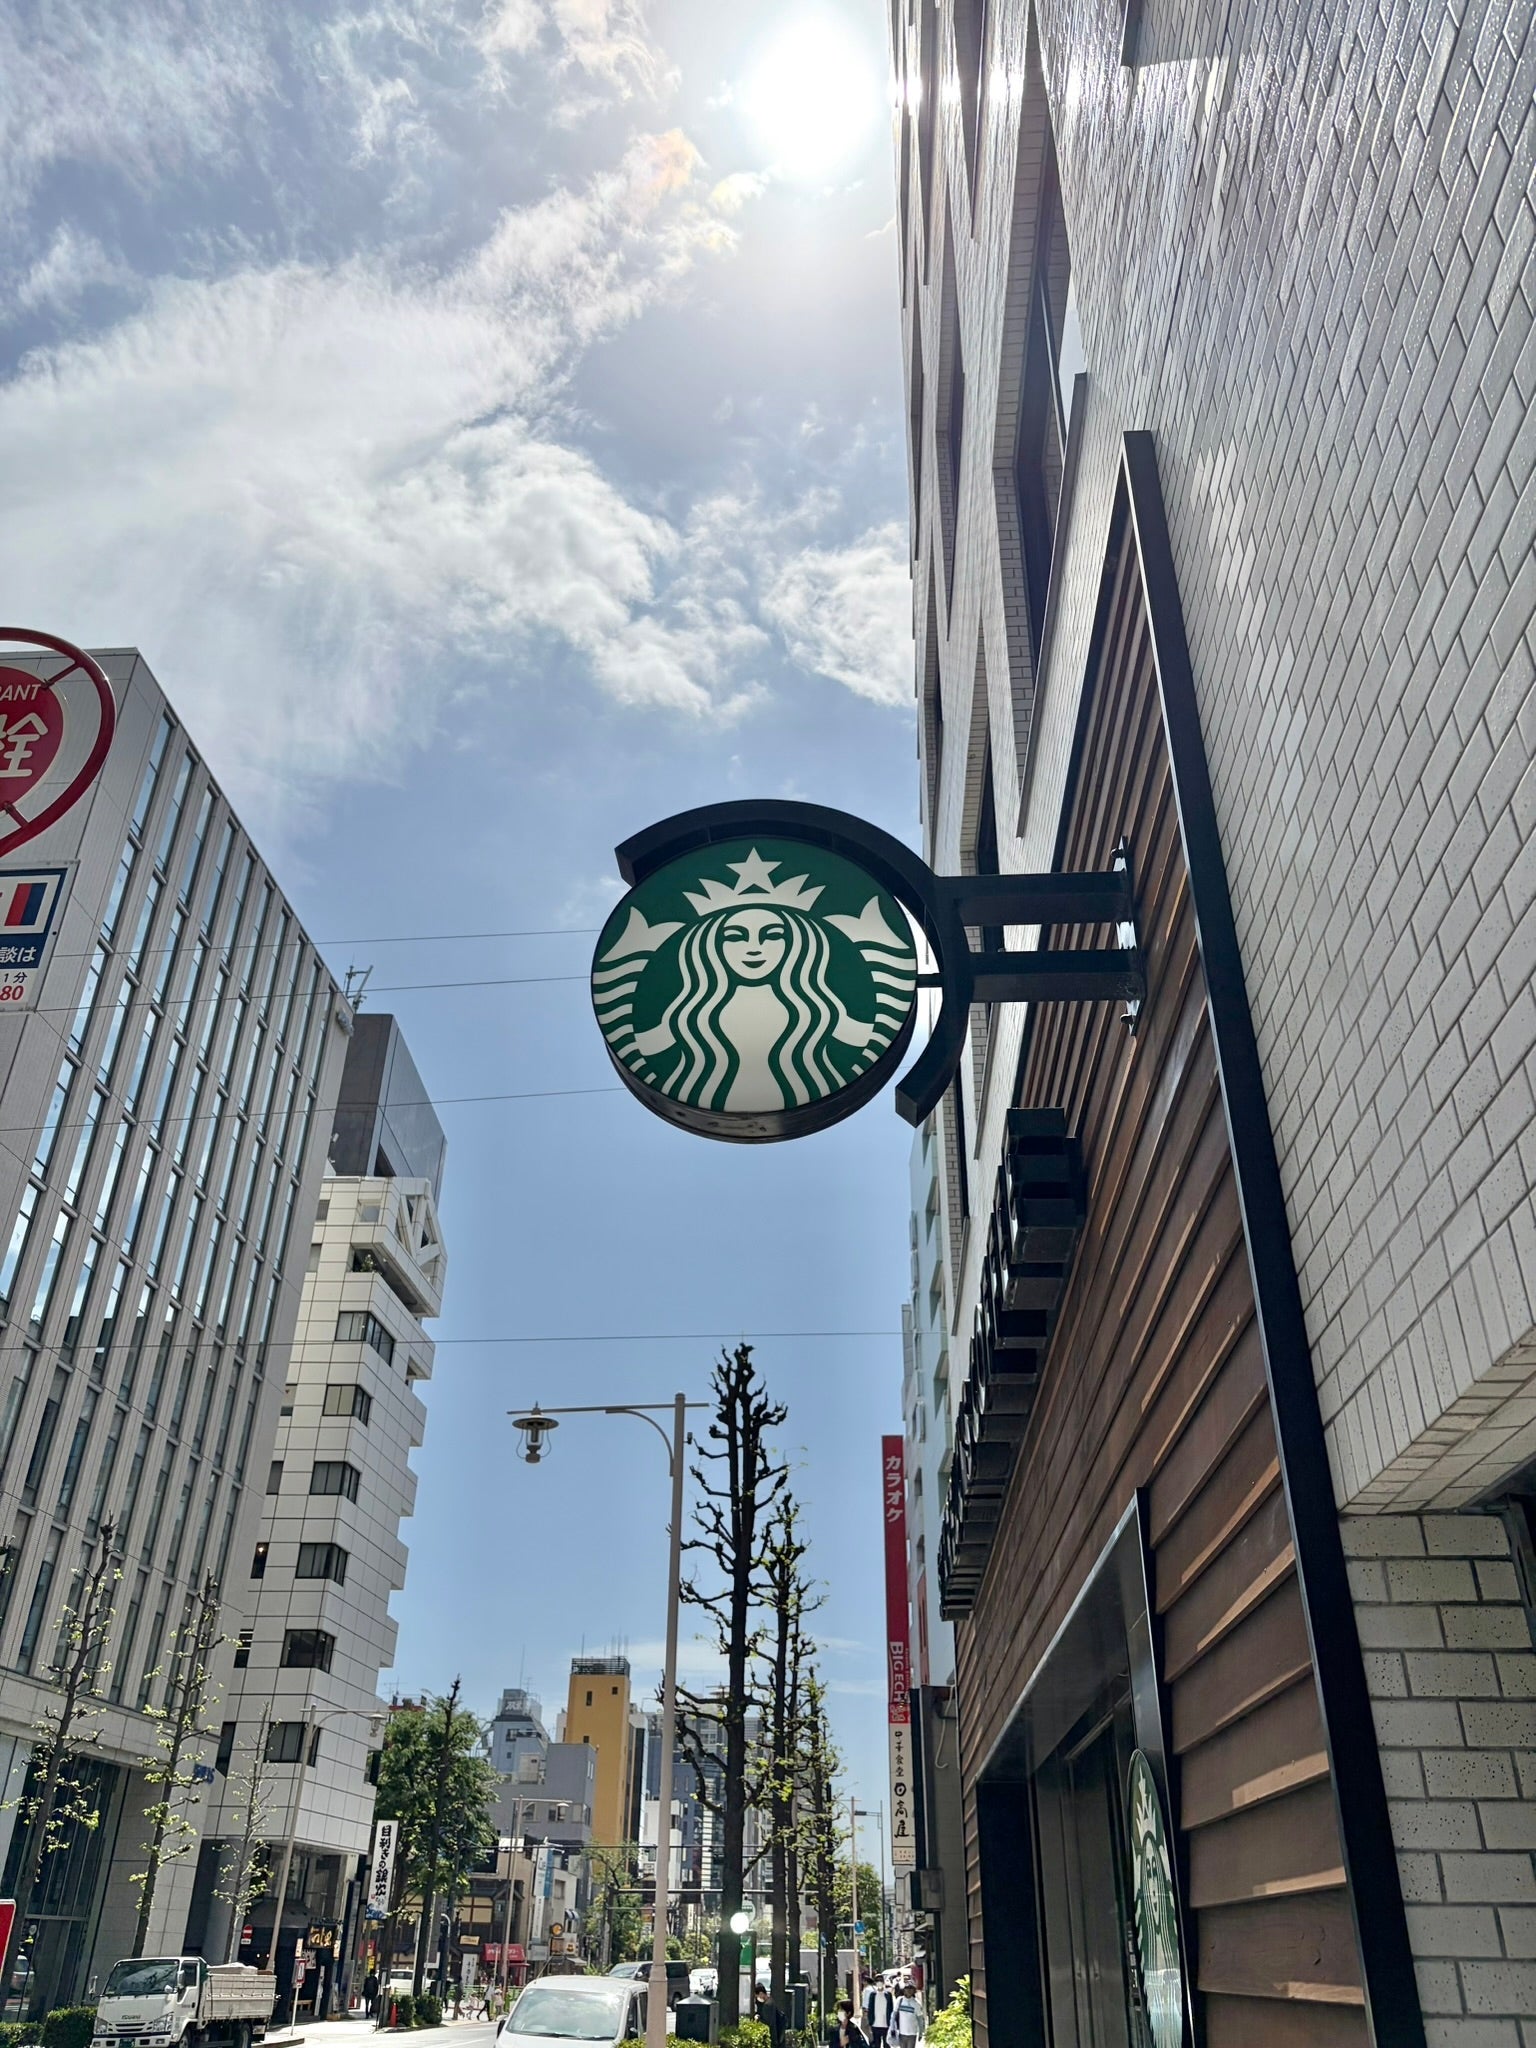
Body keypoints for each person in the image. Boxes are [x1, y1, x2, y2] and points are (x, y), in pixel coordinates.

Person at [754, 1981, 785, 2048]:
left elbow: (768, 2022)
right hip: (777, 2034)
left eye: (757, 1996)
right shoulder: (771, 2001)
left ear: (761, 1994)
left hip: (772, 2037)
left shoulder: (767, 2005)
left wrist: (758, 2018)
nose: (757, 1998)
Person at [863, 1978, 893, 2048]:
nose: (879, 1983)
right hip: (875, 2024)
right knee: (876, 2044)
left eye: (881, 1981)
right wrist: (870, 2021)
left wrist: (891, 2023)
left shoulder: (888, 1995)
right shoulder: (873, 1995)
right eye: (878, 1981)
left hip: (886, 2024)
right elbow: (870, 2008)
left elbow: (891, 2009)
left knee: (887, 2044)